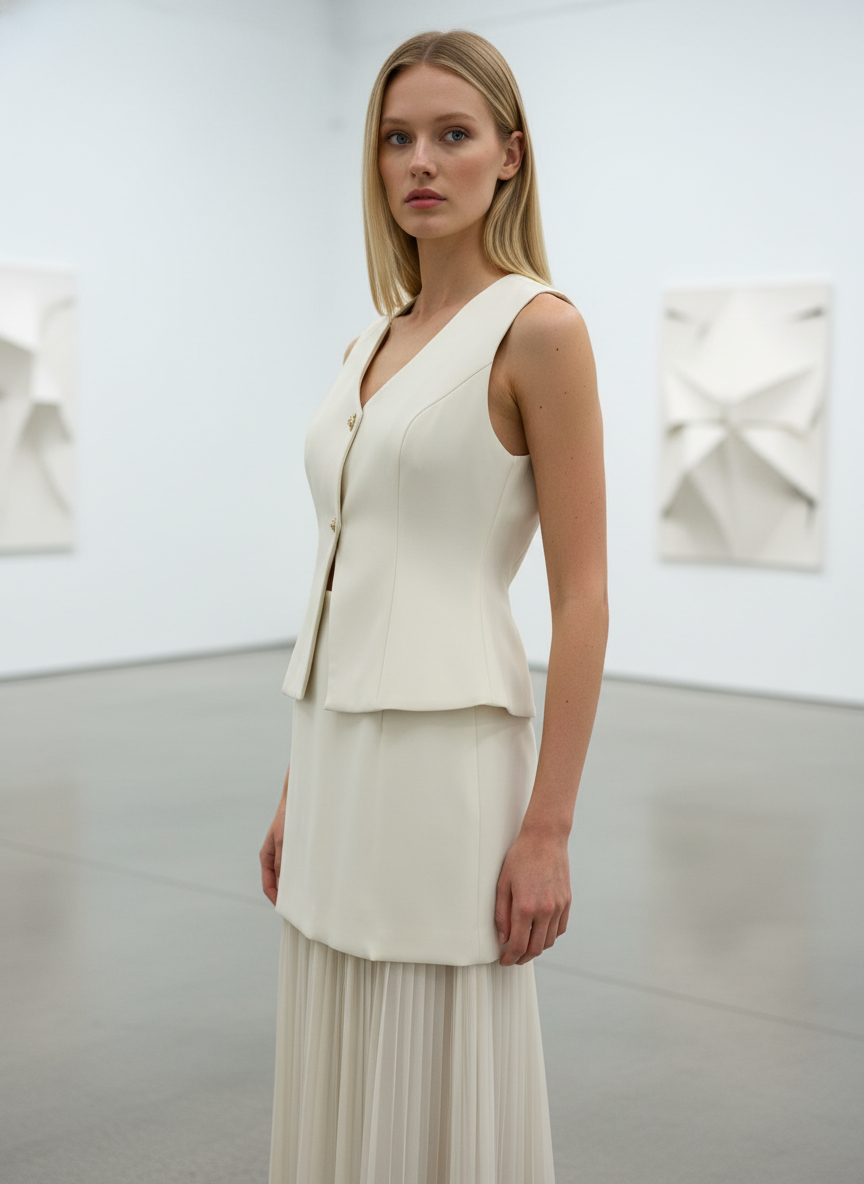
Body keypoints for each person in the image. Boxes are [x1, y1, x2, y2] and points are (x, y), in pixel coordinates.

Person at [259, 28, 607, 1184]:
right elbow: (353, 566)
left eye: (452, 135)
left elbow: (583, 592)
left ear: (509, 155)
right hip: (339, 744)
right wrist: (300, 781)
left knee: (427, 1030)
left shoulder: (539, 329)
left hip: (447, 754)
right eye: (397, 137)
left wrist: (549, 827)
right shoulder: (372, 337)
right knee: (337, 1006)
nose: (421, 160)